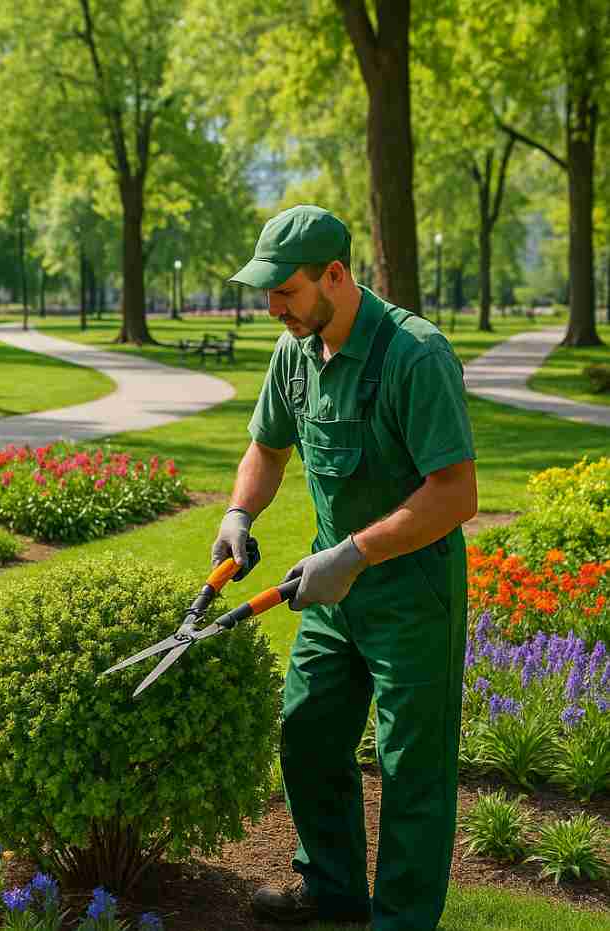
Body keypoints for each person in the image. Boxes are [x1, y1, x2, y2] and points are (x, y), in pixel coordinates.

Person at [215, 206, 477, 929]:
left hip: (411, 596)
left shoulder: (414, 356)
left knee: (410, 768)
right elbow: (267, 449)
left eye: (287, 292)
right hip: (331, 596)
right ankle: (330, 886)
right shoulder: (293, 352)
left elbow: (457, 493)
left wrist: (356, 552)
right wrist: (239, 513)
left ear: (336, 274)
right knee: (306, 732)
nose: (274, 309)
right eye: (267, 294)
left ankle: (400, 919)